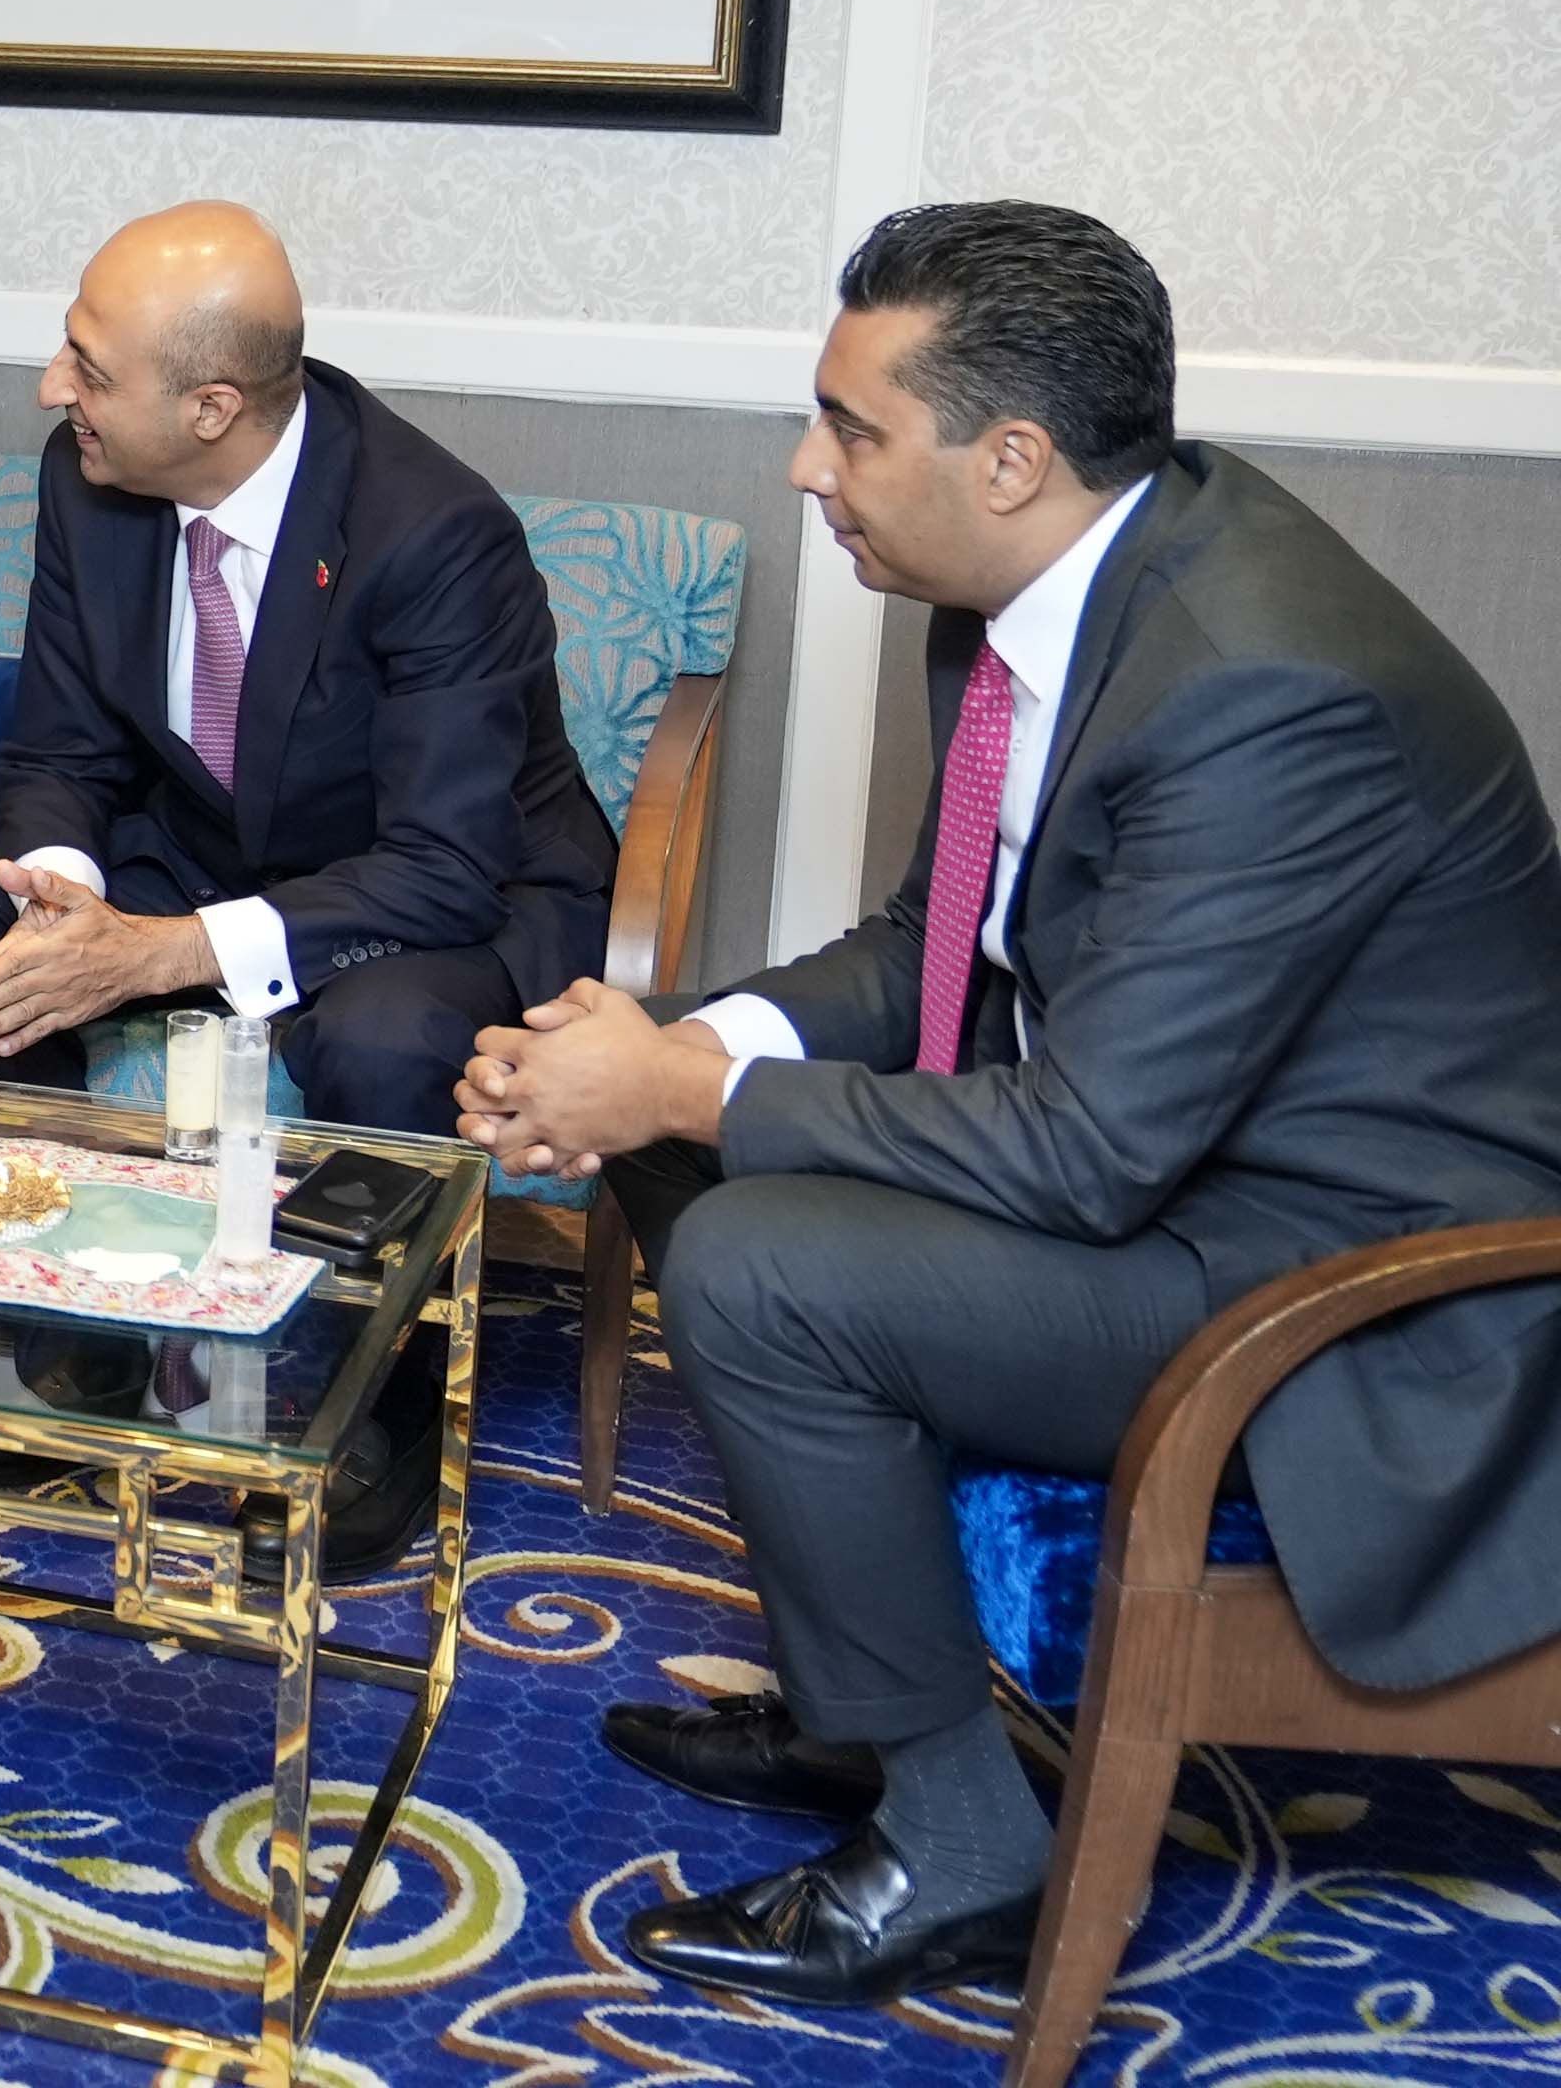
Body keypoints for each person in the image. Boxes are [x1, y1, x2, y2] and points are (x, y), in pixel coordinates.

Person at [456, 202, 1561, 2008]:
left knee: (758, 1260)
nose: (809, 468)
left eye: (853, 428)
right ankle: (867, 1710)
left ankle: (964, 1843)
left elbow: (1091, 1149)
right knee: (686, 1140)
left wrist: (686, 1083)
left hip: (1363, 1293)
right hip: (1185, 1171)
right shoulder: (1027, 593)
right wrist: (661, 1048)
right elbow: (932, 945)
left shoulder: (1265, 691)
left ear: (1013, 458)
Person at [0, 202, 612, 1564]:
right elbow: (59, 748)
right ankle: (73, 1313)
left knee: (388, 1037)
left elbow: (442, 865)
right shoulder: (85, 478)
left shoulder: (435, 534)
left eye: (88, 368)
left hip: (431, 889)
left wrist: (158, 951)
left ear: (210, 407)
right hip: (204, 841)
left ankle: (379, 1400)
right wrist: (60, 899)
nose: (51, 389)